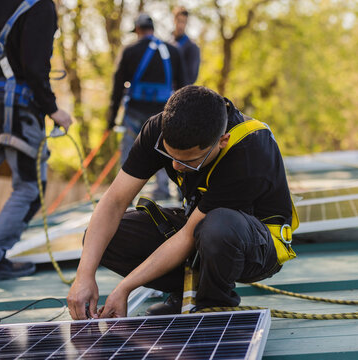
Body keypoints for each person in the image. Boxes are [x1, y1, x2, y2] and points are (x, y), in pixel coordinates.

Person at [67, 85, 298, 319]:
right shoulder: (158, 129)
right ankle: (186, 290)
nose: (176, 167)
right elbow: (114, 201)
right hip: (201, 228)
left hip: (256, 245)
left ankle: (214, 307)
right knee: (103, 239)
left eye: (190, 161)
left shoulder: (250, 151)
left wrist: (124, 288)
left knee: (218, 227)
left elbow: (189, 235)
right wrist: (84, 276)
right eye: (170, 156)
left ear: (222, 141)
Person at [0, 0, 73, 283]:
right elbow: (33, 66)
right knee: (30, 188)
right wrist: (52, 109)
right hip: (18, 108)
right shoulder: (40, 5)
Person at [106, 13, 185, 178]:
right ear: (152, 29)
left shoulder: (129, 51)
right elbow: (183, 86)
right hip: (162, 111)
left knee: (129, 151)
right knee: (163, 149)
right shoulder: (173, 51)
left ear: (138, 30)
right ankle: (162, 189)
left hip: (135, 110)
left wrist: (111, 119)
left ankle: (124, 192)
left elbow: (117, 87)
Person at [149, 5, 202, 201]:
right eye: (177, 20)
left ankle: (184, 190)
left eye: (183, 21)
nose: (180, 24)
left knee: (183, 146)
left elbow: (190, 78)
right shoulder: (166, 45)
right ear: (173, 20)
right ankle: (161, 187)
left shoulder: (191, 47)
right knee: (161, 144)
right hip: (164, 101)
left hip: (183, 102)